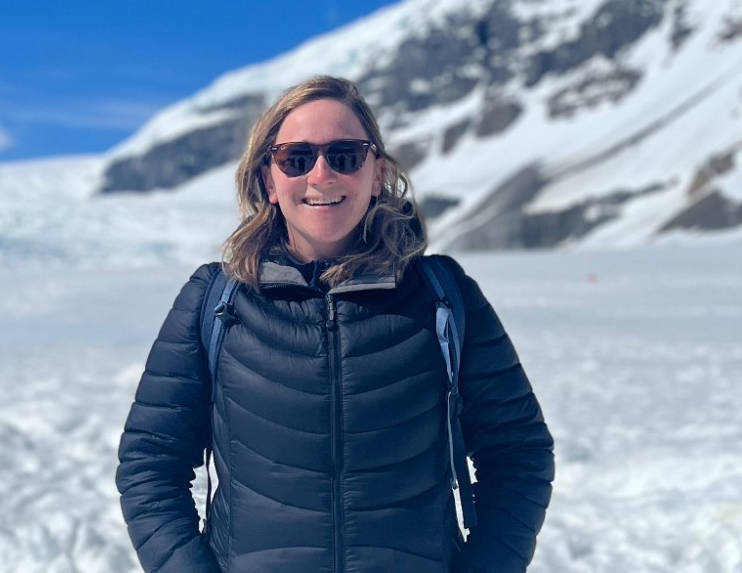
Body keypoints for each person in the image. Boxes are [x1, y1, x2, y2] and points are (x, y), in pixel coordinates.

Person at [116, 76, 554, 573]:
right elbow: (149, 463)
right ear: (269, 180)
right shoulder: (215, 300)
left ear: (376, 173)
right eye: (296, 159)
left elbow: (518, 454)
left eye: (344, 155)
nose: (321, 175)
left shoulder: (442, 297)